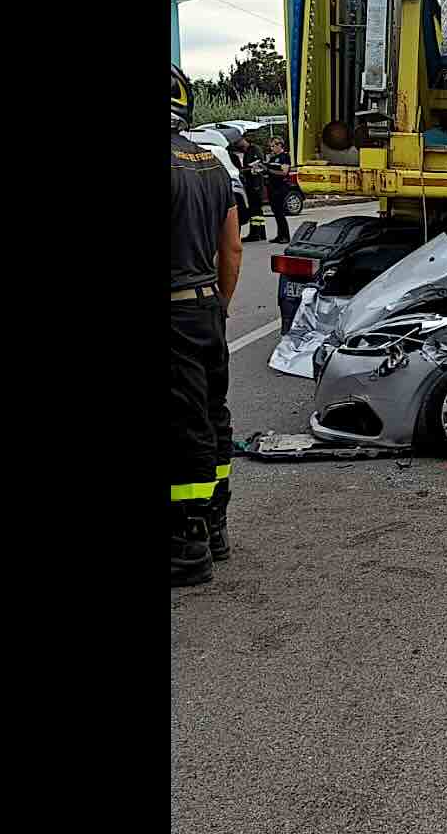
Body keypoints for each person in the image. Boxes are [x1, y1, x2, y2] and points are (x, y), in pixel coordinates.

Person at [170, 65, 244, 587]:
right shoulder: (211, 165)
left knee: (180, 427)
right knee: (211, 418)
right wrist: (219, 305)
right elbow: (233, 248)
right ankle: (214, 525)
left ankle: (183, 544)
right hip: (205, 310)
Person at [236, 137, 268, 243]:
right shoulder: (247, 151)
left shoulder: (254, 150)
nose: (238, 144)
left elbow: (257, 167)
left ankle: (255, 234)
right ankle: (260, 233)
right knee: (257, 211)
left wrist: (244, 171)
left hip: (256, 185)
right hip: (252, 185)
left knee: (255, 211)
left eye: (239, 141)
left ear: (244, 139)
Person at [262, 134, 293, 243]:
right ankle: (279, 235)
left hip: (280, 187)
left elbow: (284, 172)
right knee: (276, 212)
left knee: (280, 212)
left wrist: (268, 170)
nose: (271, 148)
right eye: (270, 146)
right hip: (272, 186)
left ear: (279, 145)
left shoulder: (284, 157)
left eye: (273, 146)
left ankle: (285, 236)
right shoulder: (273, 157)